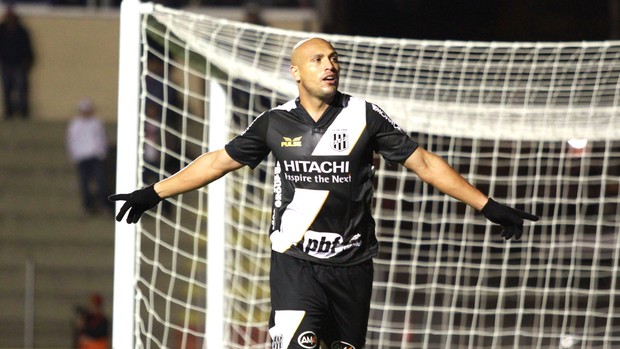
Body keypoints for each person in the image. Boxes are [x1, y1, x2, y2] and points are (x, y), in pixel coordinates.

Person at [110, 38, 539, 349]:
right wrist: (154, 192)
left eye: (333, 59)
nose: (329, 65)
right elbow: (217, 161)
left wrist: (487, 205)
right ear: (296, 72)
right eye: (317, 60)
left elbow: (422, 162)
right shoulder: (274, 123)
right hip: (295, 264)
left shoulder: (364, 116)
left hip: (352, 266)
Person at [67, 98, 113, 216]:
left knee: (101, 182)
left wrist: (102, 153)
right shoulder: (75, 124)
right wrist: (75, 156)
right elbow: (71, 142)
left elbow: (102, 139)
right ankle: (88, 207)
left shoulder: (96, 122)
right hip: (82, 158)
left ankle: (105, 206)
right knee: (85, 184)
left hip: (95, 156)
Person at [0, 5, 34, 120]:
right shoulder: (2, 30)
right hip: (6, 64)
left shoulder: (21, 31)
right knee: (7, 90)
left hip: (19, 64)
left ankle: (23, 112)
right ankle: (8, 112)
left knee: (21, 89)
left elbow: (27, 47)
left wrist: (28, 61)